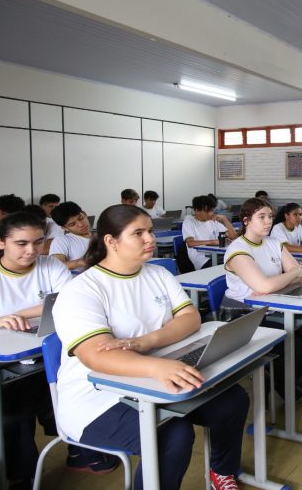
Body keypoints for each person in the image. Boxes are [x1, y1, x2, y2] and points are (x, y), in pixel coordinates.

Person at [52, 204, 248, 489]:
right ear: (110, 241)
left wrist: (147, 343)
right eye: (138, 233)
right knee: (173, 434)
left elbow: (190, 318)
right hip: (97, 399)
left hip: (158, 376)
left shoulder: (158, 274)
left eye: (150, 232)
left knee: (233, 401)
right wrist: (156, 364)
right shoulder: (82, 290)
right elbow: (96, 355)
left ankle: (222, 471)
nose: (150, 239)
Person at [0, 212, 116, 481]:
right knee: (11, 406)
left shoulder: (51, 266)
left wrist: (19, 315)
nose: (31, 250)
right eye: (21, 243)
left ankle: (79, 447)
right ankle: (20, 475)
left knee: (77, 379)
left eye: (38, 242)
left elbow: (67, 302)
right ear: (0, 243)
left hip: (37, 351)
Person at [222, 198, 302, 400]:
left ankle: (283, 380)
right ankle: (283, 382)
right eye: (261, 217)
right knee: (288, 338)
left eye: (269, 216)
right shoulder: (237, 249)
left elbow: (299, 272)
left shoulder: (273, 243)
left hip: (272, 304)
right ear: (246, 221)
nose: (268, 221)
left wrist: (273, 283)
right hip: (243, 313)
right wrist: (275, 282)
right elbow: (268, 285)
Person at [182, 195, 237, 271]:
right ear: (197, 211)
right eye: (207, 211)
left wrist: (225, 219)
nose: (211, 214)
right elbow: (190, 243)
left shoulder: (212, 221)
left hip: (218, 255)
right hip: (202, 259)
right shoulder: (189, 221)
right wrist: (214, 242)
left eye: (212, 210)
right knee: (230, 267)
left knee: (239, 261)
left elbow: (233, 236)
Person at [50, 201, 93, 271]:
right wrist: (79, 262)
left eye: (81, 218)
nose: (81, 224)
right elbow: (56, 267)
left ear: (84, 214)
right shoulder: (62, 240)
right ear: (64, 228)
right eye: (72, 224)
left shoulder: (101, 236)